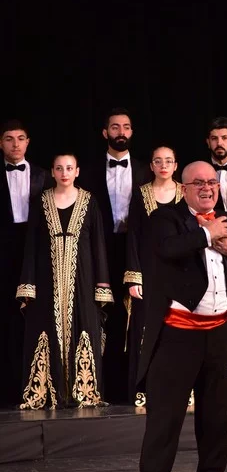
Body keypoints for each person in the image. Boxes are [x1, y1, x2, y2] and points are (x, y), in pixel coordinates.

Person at [134, 161, 227, 472]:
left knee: (216, 421)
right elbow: (169, 249)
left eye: (212, 182)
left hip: (217, 334)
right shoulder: (165, 219)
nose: (207, 188)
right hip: (177, 337)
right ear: (183, 188)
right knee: (165, 420)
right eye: (198, 183)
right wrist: (206, 233)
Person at [16, 154, 113, 409]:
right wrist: (28, 283)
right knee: (45, 327)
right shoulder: (41, 201)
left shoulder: (89, 202)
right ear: (52, 171)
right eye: (59, 168)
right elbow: (32, 245)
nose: (64, 173)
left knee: (83, 325)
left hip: (83, 275)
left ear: (77, 171)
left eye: (69, 168)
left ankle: (83, 391)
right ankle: (49, 391)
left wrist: (101, 285)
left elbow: (98, 244)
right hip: (47, 277)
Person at [79, 107, 151, 403]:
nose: (121, 132)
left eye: (126, 127)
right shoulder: (88, 170)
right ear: (105, 132)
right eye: (115, 127)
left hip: (138, 252)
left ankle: (136, 385)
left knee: (137, 315)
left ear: (132, 132)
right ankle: (103, 386)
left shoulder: (147, 169)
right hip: (101, 249)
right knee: (103, 314)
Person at [125, 146, 183, 405]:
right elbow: (134, 236)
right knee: (147, 327)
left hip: (181, 270)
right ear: (151, 166)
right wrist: (134, 275)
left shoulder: (185, 192)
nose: (163, 165)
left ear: (175, 165)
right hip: (149, 270)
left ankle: (182, 388)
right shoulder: (141, 195)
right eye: (158, 161)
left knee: (179, 326)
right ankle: (146, 388)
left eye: (168, 161)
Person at [0, 119, 52, 407]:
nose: (15, 144)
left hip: (34, 255)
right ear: (1, 143)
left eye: (20, 138)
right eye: (9, 139)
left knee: (31, 317)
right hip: (3, 255)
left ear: (28, 142)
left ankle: (34, 385)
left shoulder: (43, 176)